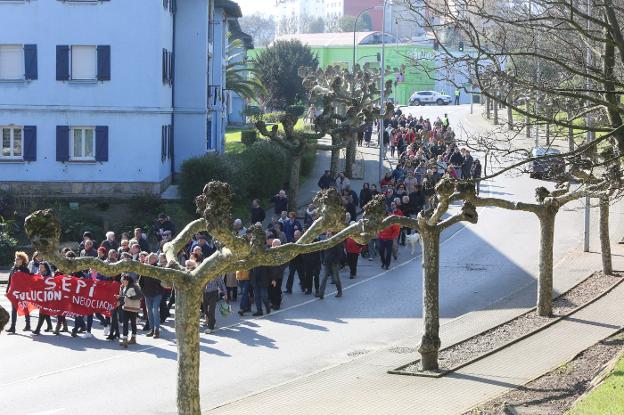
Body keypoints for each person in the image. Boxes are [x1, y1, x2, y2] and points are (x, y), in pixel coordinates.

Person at [6, 251, 32, 334]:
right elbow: (10, 280)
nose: (16, 260)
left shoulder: (25, 269)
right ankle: (13, 327)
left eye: (18, 259)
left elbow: (28, 281)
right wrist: (7, 290)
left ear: (22, 260)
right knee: (14, 310)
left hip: (23, 293)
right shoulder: (13, 268)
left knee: (25, 308)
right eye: (16, 259)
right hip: (14, 292)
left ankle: (28, 324)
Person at [139, 253, 164, 338]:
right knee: (149, 311)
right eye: (149, 258)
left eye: (152, 258)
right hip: (147, 293)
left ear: (156, 259)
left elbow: (161, 281)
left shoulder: (159, 268)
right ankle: (152, 329)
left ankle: (157, 330)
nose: (150, 259)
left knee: (155, 310)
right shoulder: (145, 268)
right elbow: (140, 281)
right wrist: (143, 290)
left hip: (157, 293)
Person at [118, 274, 142, 348]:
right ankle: (125, 339)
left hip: (133, 307)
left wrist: (131, 297)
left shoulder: (134, 286)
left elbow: (139, 295)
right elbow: (124, 297)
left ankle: (133, 338)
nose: (122, 282)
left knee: (133, 323)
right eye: (122, 280)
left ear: (128, 280)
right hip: (126, 307)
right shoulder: (122, 287)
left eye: (124, 280)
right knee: (125, 323)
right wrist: (119, 297)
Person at [317, 233, 343, 299]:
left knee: (336, 278)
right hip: (326, 262)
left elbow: (340, 253)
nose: (327, 235)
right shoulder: (325, 243)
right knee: (324, 278)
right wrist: (323, 260)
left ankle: (339, 291)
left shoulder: (336, 243)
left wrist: (336, 261)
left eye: (329, 234)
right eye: (327, 234)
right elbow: (322, 252)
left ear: (332, 235)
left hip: (334, 263)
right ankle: (321, 293)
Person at [32, 263, 53, 335]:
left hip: (47, 298)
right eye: (39, 267)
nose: (39, 269)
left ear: (45, 268)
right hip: (42, 297)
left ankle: (37, 329)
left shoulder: (48, 277)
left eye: (41, 267)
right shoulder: (39, 275)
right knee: (45, 312)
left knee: (42, 313)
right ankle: (50, 326)